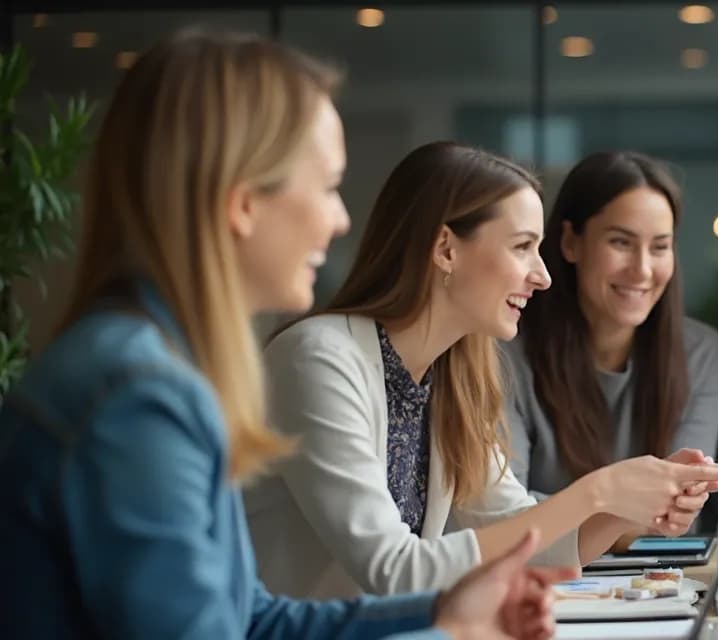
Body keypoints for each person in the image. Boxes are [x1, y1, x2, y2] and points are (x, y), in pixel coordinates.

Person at [0, 30, 571, 639]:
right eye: (327, 187)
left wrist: (440, 615)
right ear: (244, 203)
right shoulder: (138, 397)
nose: (342, 218)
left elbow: (252, 620)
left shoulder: (155, 371)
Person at [248, 142, 718, 598]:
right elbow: (393, 569)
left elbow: (525, 534)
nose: (544, 275)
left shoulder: (455, 375)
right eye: (522, 246)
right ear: (446, 249)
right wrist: (600, 491)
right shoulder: (319, 360)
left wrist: (626, 506)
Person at [504, 152, 718, 525]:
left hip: (663, 581)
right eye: (621, 243)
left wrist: (569, 512)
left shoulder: (701, 355)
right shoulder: (504, 355)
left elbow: (677, 511)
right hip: (541, 577)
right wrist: (633, 514)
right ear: (570, 242)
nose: (642, 270)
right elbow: (506, 517)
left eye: (660, 247)